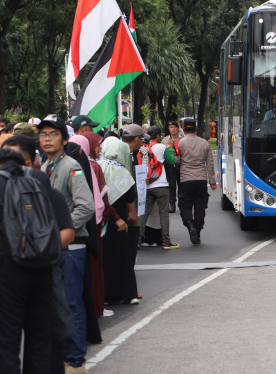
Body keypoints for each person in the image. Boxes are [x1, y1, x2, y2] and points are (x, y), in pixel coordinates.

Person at [0, 149, 75, 374]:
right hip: (43, 268)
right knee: (40, 339)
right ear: (23, 164)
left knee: (6, 341)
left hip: (9, 270)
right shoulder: (39, 180)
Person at [38, 115, 94, 372]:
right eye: (43, 135)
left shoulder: (71, 165)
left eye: (53, 134)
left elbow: (86, 206)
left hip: (70, 248)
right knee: (57, 305)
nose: (47, 139)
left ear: (64, 138)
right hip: (50, 247)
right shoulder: (43, 165)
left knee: (71, 304)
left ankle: (75, 361)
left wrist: (64, 229)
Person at [98, 138, 140, 305]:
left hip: (102, 219)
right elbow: (130, 196)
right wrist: (132, 213)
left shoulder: (97, 167)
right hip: (119, 219)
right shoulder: (123, 172)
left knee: (104, 257)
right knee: (122, 255)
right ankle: (127, 293)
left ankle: (107, 294)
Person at [176, 118, 217, 245]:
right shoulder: (204, 143)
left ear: (183, 128)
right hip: (201, 179)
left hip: (186, 179)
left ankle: (190, 225)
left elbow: (176, 161)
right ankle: (197, 230)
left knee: (185, 205)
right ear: (196, 128)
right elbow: (210, 164)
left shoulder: (180, 143)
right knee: (200, 206)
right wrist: (212, 181)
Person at [138, 126, 179, 249]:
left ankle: (138, 240)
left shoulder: (143, 149)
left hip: (147, 185)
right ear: (158, 136)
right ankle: (166, 242)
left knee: (144, 214)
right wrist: (171, 147)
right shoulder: (161, 147)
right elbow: (172, 161)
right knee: (164, 214)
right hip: (161, 185)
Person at [163, 120, 183, 213]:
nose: (173, 129)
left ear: (178, 128)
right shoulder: (165, 140)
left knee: (181, 184)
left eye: (175, 127)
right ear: (169, 129)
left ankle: (181, 203)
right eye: (171, 127)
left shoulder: (182, 139)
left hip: (180, 165)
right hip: (170, 166)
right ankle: (172, 203)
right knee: (171, 185)